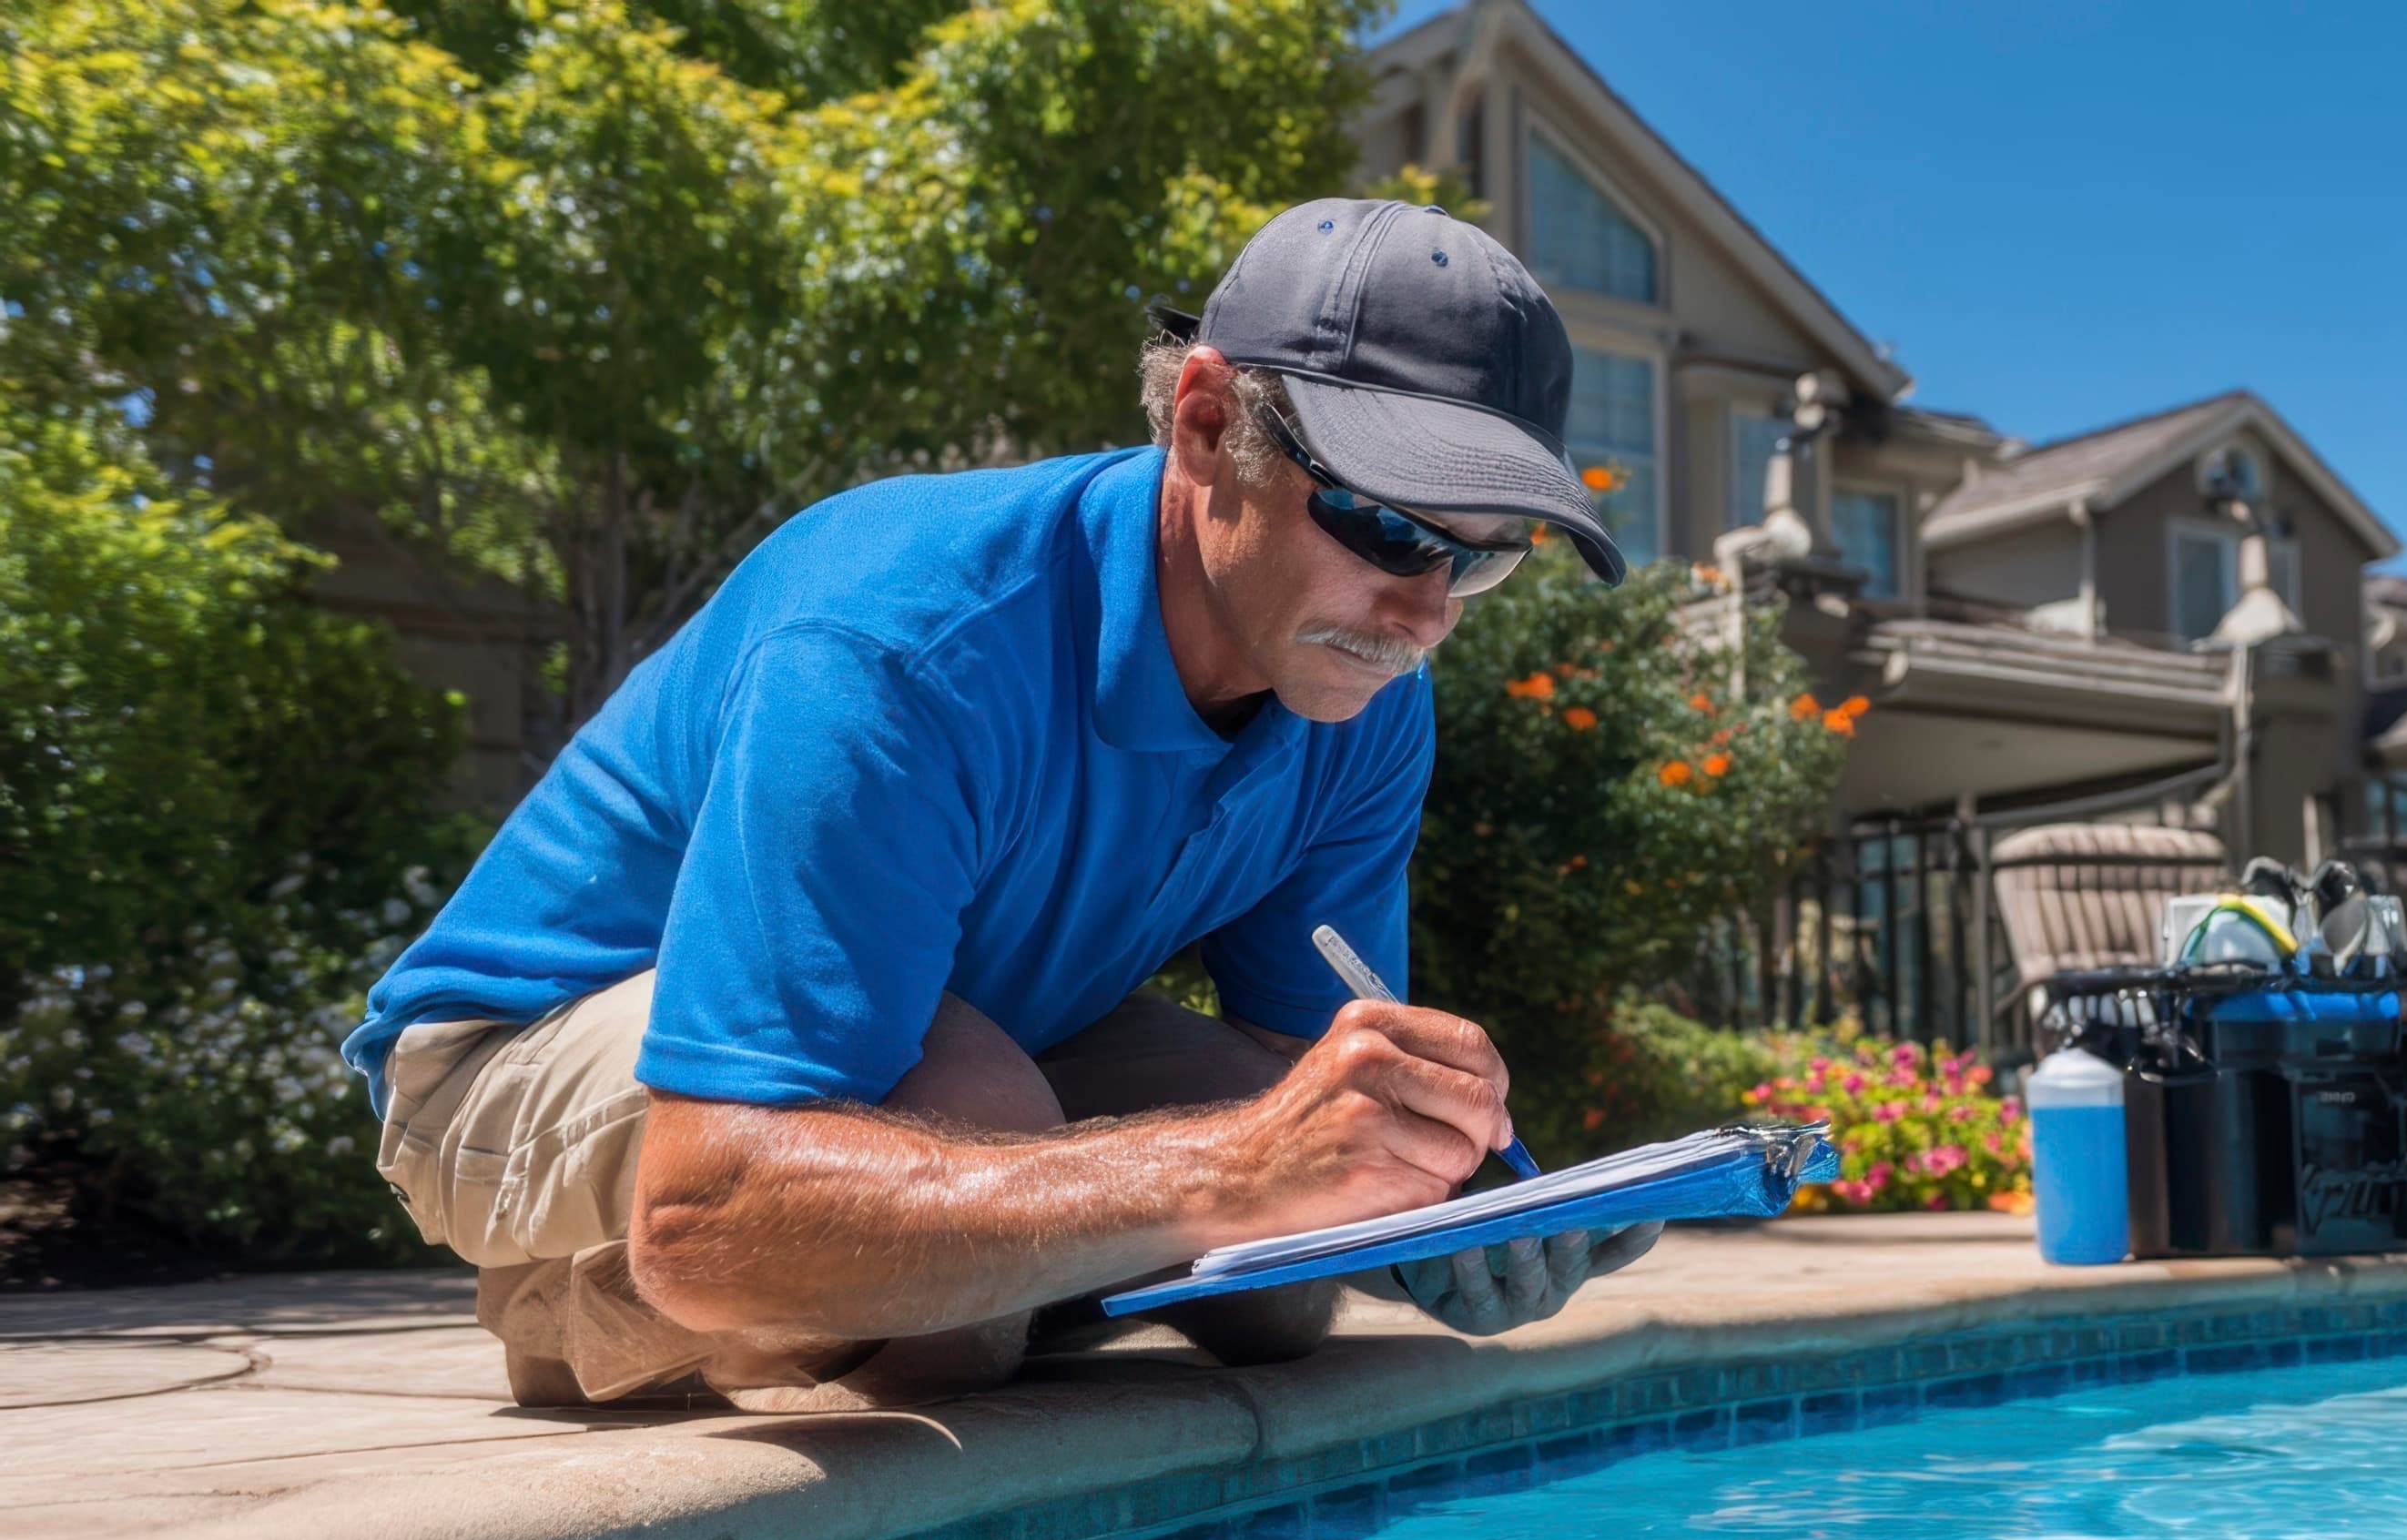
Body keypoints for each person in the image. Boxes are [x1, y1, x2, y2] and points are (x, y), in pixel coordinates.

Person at [346, 198, 1661, 1411]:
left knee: (1285, 1292)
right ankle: (581, 1314)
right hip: (517, 1049)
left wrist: (1447, 1200)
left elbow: (1304, 1083)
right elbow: (716, 1192)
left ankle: (969, 1271)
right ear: (1206, 425)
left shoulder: (1364, 695)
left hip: (963, 1022)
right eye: (1386, 527)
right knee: (979, 1145)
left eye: (1481, 558)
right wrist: (1227, 1175)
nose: (1424, 614)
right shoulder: (903, 643)